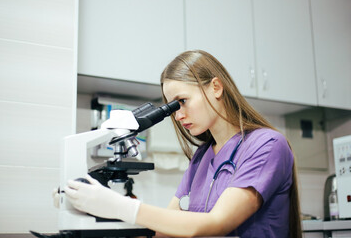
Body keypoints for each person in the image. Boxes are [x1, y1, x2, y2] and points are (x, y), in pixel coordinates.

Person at [63, 50, 302, 238]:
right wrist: (99, 216)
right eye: (172, 107)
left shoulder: (268, 145)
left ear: (216, 87)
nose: (178, 115)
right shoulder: (202, 157)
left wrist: (121, 207)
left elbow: (217, 223)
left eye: (183, 101)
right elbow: (168, 228)